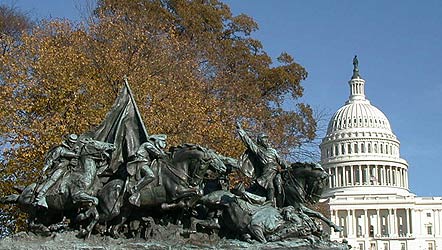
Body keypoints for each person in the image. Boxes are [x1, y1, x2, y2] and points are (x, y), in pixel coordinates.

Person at [236, 121, 288, 204]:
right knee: (270, 185)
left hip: (276, 171)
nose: (267, 141)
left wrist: (285, 165)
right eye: (264, 139)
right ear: (260, 141)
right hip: (266, 172)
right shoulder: (258, 150)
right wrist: (240, 130)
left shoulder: (273, 151)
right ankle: (270, 203)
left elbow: (280, 160)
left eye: (267, 139)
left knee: (280, 185)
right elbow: (248, 141)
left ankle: (281, 204)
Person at [34, 134, 79, 208]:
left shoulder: (76, 149)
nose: (72, 144)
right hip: (61, 167)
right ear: (68, 141)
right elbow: (51, 159)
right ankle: (40, 197)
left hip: (73, 168)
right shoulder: (60, 149)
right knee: (54, 178)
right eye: (71, 142)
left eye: (74, 142)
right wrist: (44, 168)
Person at [127, 134, 168, 206]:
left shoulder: (153, 146)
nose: (165, 143)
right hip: (141, 163)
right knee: (151, 175)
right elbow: (158, 154)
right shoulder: (147, 145)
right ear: (157, 141)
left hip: (147, 164)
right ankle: (134, 189)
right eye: (163, 141)